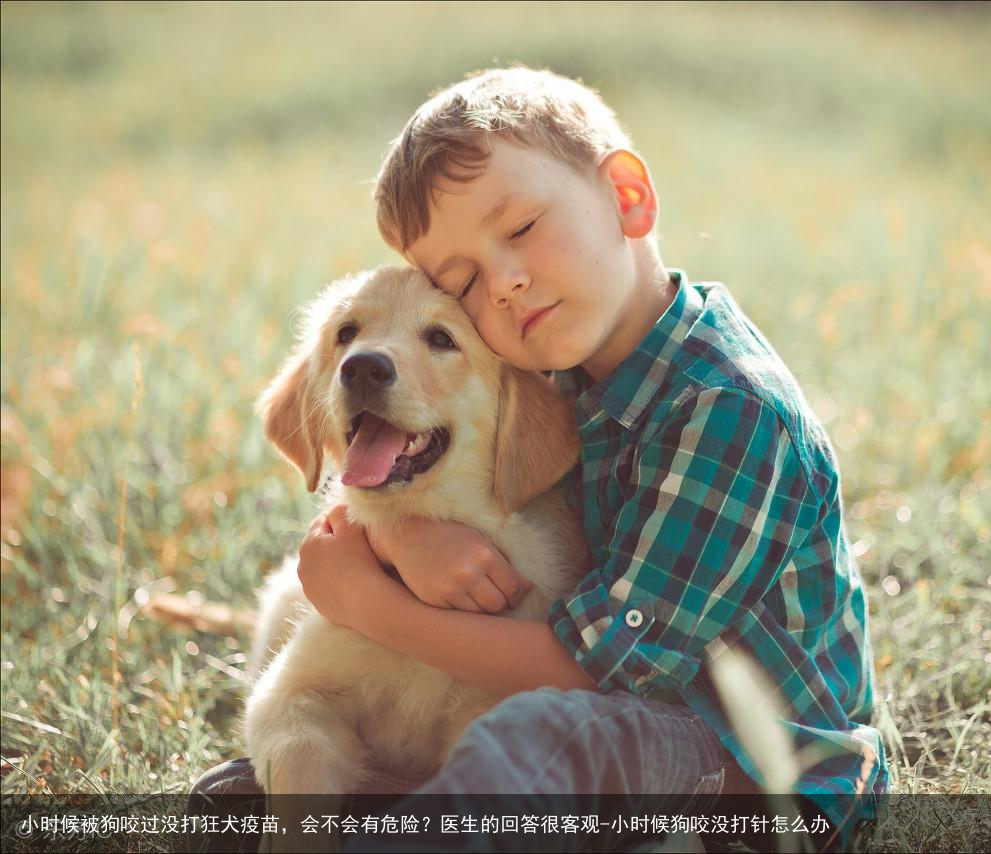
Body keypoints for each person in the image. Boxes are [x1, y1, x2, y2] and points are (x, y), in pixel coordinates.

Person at [190, 67, 886, 853]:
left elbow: (600, 673)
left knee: (538, 733)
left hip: (749, 777)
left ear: (627, 197)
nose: (508, 283)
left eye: (520, 229)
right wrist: (400, 538)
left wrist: (373, 607)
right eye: (466, 281)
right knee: (232, 806)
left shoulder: (732, 413)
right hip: (593, 724)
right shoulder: (555, 365)